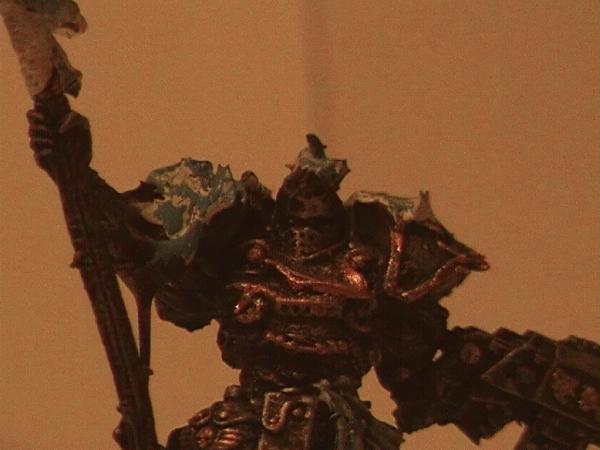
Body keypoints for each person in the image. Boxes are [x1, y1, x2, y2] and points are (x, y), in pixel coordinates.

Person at [27, 94, 600, 450]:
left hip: (338, 430)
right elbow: (141, 261)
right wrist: (74, 173)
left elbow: (423, 373)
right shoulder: (233, 246)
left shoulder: (378, 261)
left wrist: (548, 381)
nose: (306, 201)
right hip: (241, 424)